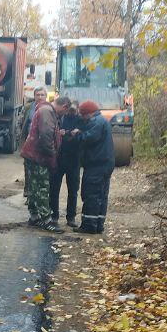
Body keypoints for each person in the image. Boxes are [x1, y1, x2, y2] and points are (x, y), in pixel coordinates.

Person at [21, 95, 69, 233]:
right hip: (38, 156)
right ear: (64, 106)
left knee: (33, 186)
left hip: (32, 155)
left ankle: (34, 216)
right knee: (42, 187)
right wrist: (53, 157)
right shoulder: (47, 112)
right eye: (65, 111)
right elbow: (46, 137)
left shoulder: (45, 110)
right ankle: (47, 220)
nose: (63, 114)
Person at [70, 100, 114, 234]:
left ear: (89, 113)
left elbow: (89, 138)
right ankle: (98, 224)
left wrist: (77, 134)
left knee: (91, 194)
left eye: (83, 115)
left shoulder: (96, 123)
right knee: (101, 195)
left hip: (96, 165)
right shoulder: (102, 121)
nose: (82, 118)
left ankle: (89, 225)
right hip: (104, 164)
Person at [49, 97, 82, 226]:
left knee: (73, 190)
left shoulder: (80, 120)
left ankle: (71, 217)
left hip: (74, 159)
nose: (70, 112)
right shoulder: (60, 117)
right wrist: (64, 134)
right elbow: (56, 133)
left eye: (73, 110)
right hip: (60, 157)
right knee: (54, 188)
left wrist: (66, 133)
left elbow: (79, 136)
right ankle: (54, 215)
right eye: (68, 109)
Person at [21, 86, 47, 199]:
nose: (40, 97)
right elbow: (21, 122)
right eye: (38, 95)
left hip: (42, 145)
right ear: (34, 96)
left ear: (46, 96)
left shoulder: (50, 108)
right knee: (28, 168)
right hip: (29, 143)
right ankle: (28, 192)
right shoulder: (28, 108)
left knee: (41, 170)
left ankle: (39, 194)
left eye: (42, 95)